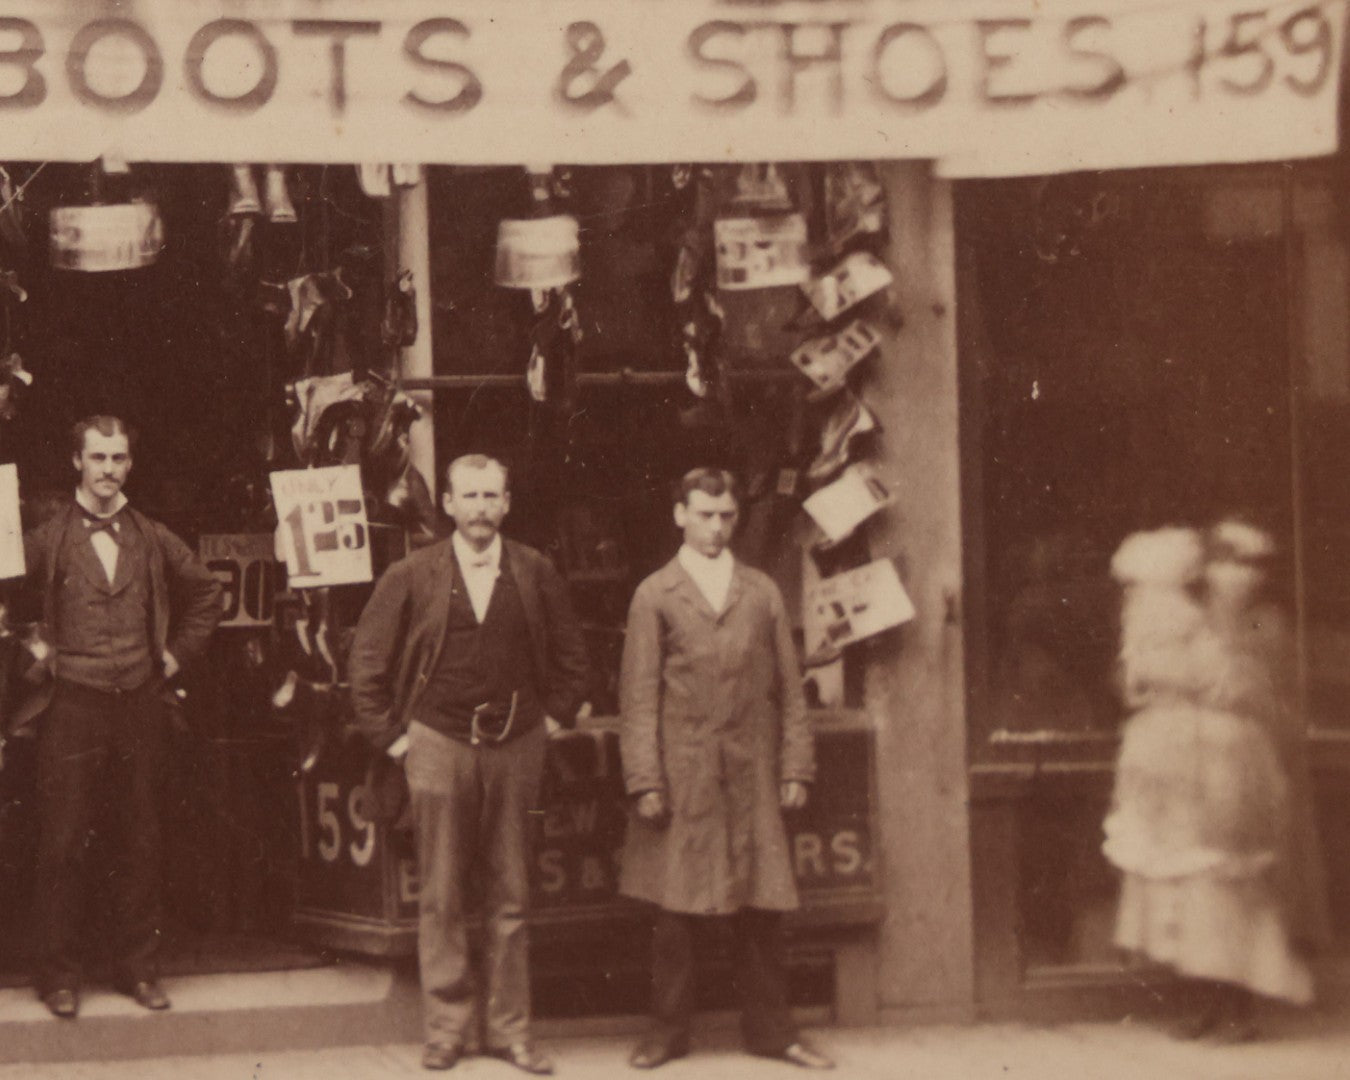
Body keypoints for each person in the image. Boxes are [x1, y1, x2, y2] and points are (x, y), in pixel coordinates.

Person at [348, 454, 589, 1074]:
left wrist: (550, 724)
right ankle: (448, 1031)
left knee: (512, 892)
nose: (481, 508)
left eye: (492, 496)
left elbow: (572, 662)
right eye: (469, 496)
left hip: (518, 749)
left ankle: (511, 1032)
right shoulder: (412, 574)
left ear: (507, 503)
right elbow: (366, 667)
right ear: (448, 505)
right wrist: (399, 743)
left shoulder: (535, 572)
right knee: (442, 893)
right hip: (437, 744)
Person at [617, 468, 833, 1071]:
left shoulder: (760, 591)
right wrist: (645, 780)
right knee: (674, 913)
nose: (716, 527)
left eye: (726, 516)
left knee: (760, 908)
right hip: (682, 771)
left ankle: (772, 1032)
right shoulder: (656, 594)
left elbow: (791, 690)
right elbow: (637, 699)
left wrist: (796, 765)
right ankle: (668, 1032)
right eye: (704, 514)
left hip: (750, 770)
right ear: (680, 515)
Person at [18, 415, 222, 1019]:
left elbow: (208, 591)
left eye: (118, 458)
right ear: (76, 462)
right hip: (71, 706)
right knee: (62, 844)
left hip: (138, 703)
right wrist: (30, 646)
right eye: (98, 457)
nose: (108, 470)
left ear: (130, 465)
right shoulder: (48, 537)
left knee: (141, 838)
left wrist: (176, 654)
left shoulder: (152, 536)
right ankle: (58, 975)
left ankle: (137, 970)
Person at [1102, 519, 1323, 1042]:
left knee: (1226, 884)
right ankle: (1207, 1000)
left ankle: (1238, 1008)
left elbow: (1241, 687)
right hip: (1178, 768)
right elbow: (1135, 684)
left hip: (1223, 766)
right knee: (1188, 885)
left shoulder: (1243, 629)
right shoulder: (1174, 626)